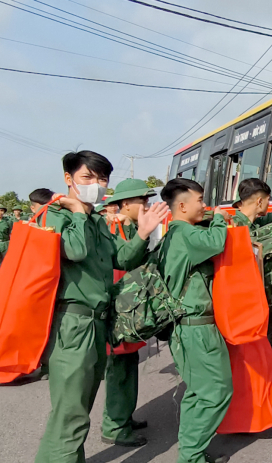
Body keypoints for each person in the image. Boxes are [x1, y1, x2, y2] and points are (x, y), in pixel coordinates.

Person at [34, 151, 168, 463]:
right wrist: (79, 212)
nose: (97, 184)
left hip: (96, 324)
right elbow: (75, 250)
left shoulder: (96, 222)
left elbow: (121, 258)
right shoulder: (57, 216)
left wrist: (143, 233)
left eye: (102, 178)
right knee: (70, 415)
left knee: (79, 411)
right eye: (88, 177)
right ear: (68, 180)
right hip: (73, 323)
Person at [159, 178, 232, 463]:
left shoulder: (174, 233)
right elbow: (216, 243)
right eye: (200, 200)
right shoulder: (185, 234)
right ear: (182, 205)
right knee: (217, 392)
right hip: (196, 329)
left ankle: (191, 454)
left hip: (189, 328)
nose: (205, 205)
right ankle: (190, 456)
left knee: (198, 393)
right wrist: (220, 220)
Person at [99, 178, 158, 447]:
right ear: (125, 204)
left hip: (130, 307)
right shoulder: (114, 227)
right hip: (119, 309)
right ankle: (114, 426)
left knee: (128, 364)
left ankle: (123, 416)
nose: (146, 205)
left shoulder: (131, 226)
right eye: (142, 201)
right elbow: (123, 262)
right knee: (119, 369)